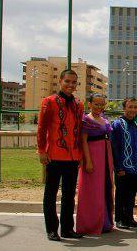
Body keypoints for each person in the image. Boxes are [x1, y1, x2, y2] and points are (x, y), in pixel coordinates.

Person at [38, 69, 84, 241]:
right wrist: (42, 151)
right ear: (60, 81)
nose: (70, 85)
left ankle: (67, 229)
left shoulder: (78, 105)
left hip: (73, 157)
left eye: (74, 82)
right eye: (67, 81)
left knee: (69, 195)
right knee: (50, 194)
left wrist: (79, 154)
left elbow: (78, 131)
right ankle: (51, 229)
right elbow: (41, 128)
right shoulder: (49, 102)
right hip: (54, 155)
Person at [75, 93, 114, 234]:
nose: (99, 107)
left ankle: (105, 222)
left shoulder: (104, 119)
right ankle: (90, 223)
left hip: (105, 156)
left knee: (105, 188)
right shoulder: (86, 120)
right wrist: (88, 161)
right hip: (93, 155)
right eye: (96, 104)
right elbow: (83, 141)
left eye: (101, 104)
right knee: (92, 190)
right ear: (89, 104)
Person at [111, 98, 137, 229]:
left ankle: (129, 218)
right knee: (121, 193)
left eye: (135, 107)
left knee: (131, 194)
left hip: (135, 167)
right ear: (124, 108)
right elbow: (115, 147)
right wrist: (118, 167)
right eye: (130, 107)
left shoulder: (136, 125)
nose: (133, 110)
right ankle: (119, 219)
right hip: (123, 166)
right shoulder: (117, 124)